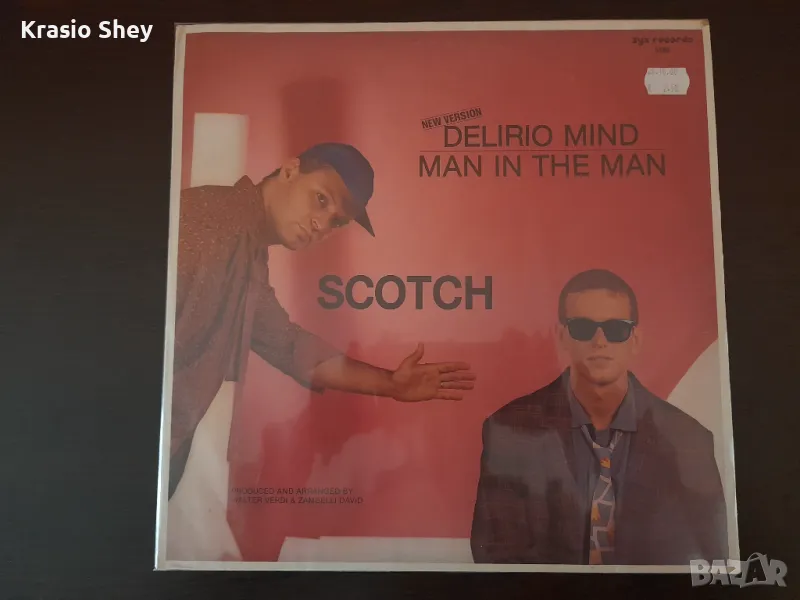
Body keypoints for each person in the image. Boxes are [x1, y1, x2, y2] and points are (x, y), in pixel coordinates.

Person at [168, 141, 476, 497]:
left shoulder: (248, 249)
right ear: (290, 171)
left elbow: (289, 346)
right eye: (320, 199)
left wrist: (392, 385)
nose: (320, 224)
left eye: (336, 221)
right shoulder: (207, 221)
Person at [470, 269, 727, 565]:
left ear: (635, 339)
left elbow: (710, 558)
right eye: (583, 328)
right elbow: (495, 558)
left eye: (616, 329)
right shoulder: (508, 431)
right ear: (562, 337)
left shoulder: (688, 440)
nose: (600, 341)